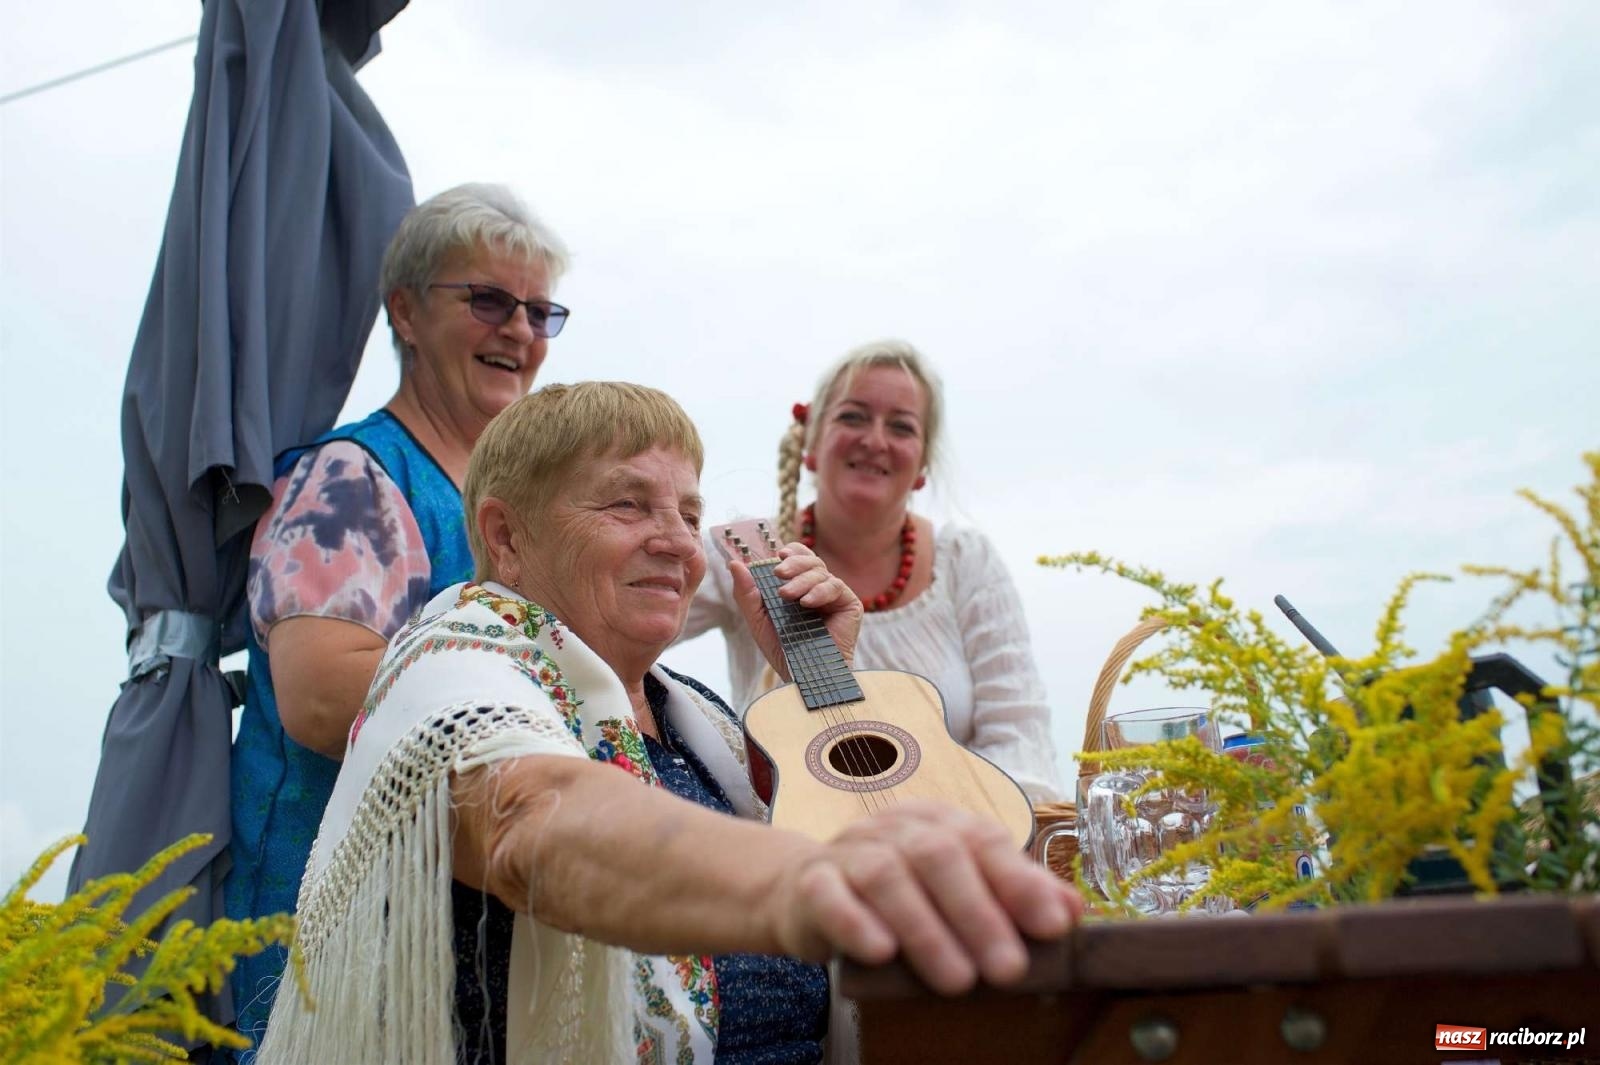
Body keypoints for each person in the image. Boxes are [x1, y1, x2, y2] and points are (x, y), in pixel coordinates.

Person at [256, 382, 1083, 1065]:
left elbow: (898, 846)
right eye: (628, 504)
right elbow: (530, 822)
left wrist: (821, 685)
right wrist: (811, 885)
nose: (678, 543)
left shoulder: (705, 723)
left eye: (689, 514)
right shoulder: (451, 661)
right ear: (506, 536)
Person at [226, 183, 571, 1047]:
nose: (520, 332)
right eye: (489, 300)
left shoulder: (501, 498)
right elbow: (316, 693)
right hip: (324, 954)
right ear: (406, 312)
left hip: (443, 959)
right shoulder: (353, 477)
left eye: (540, 311)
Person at [682, 339, 1063, 803]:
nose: (875, 440)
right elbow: (617, 618)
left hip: (960, 843)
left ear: (922, 466)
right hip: (791, 847)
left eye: (901, 426)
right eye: (853, 417)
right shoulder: (751, 556)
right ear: (811, 446)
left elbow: (1018, 734)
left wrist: (970, 832)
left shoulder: (965, 561)